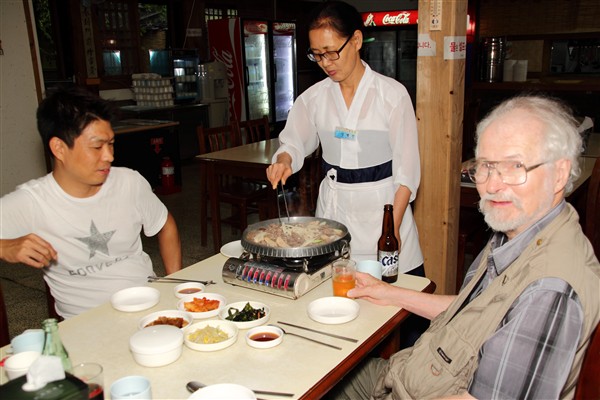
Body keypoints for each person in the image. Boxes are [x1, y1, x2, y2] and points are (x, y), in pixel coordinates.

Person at [327, 95, 600, 399]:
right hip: (407, 374)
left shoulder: (549, 291)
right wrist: (387, 292)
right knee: (322, 367)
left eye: (515, 165)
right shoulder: (522, 231)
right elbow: (474, 311)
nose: (493, 185)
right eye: (486, 166)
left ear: (559, 173)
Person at [266, 1, 423, 276]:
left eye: (331, 52)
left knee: (393, 304)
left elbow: (407, 174)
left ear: (357, 40)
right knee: (336, 296)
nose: (326, 63)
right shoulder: (314, 98)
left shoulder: (392, 96)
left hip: (383, 212)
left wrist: (391, 231)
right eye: (317, 55)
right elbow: (292, 141)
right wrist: (284, 159)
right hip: (335, 213)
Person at [0, 86, 182, 319]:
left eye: (111, 144)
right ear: (59, 148)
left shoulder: (129, 182)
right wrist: (5, 247)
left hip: (148, 306)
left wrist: (175, 286)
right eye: (97, 147)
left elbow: (165, 225)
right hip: (85, 324)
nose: (109, 156)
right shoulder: (33, 201)